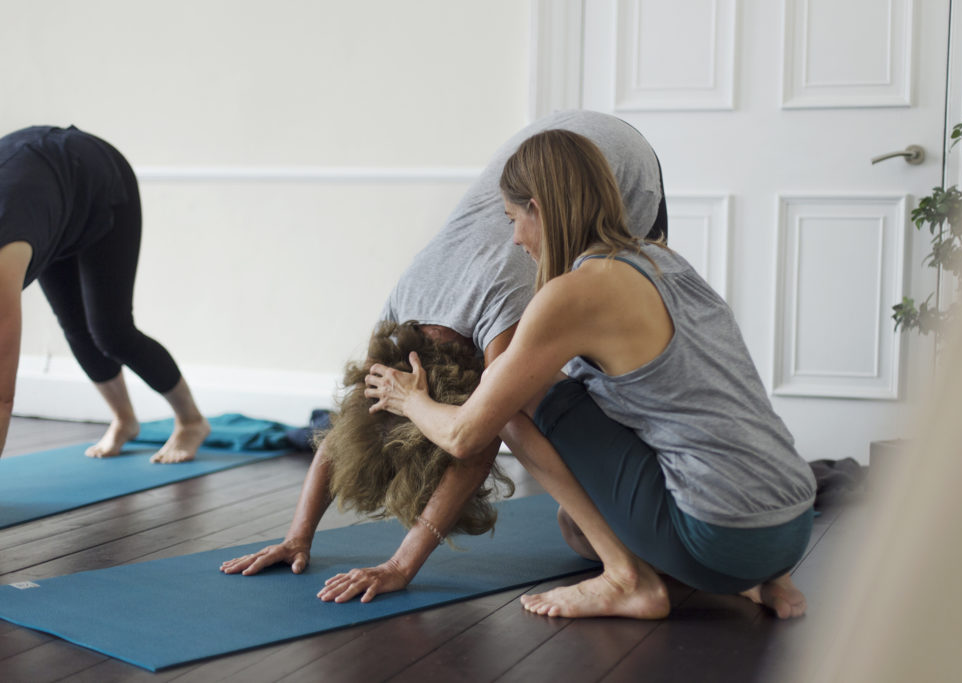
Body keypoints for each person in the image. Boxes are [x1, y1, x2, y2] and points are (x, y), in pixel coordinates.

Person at [362, 129, 817, 620]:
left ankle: (627, 580)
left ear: (539, 208)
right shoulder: (662, 261)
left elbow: (465, 434)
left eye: (514, 219)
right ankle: (763, 582)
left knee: (512, 396)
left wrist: (408, 398)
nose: (515, 238)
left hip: (721, 538)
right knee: (576, 531)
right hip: (792, 527)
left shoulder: (573, 294)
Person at [220, 110, 668, 603]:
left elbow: (475, 443)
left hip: (622, 166)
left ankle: (645, 533)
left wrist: (400, 565)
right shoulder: (400, 317)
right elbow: (346, 426)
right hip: (548, 139)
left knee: (622, 359)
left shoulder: (501, 314)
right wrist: (297, 536)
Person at [0, 125, 209, 462]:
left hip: (97, 177)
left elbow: (2, 398)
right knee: (76, 329)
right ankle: (125, 420)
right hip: (45, 199)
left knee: (112, 332)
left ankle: (191, 420)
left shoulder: (3, 259)